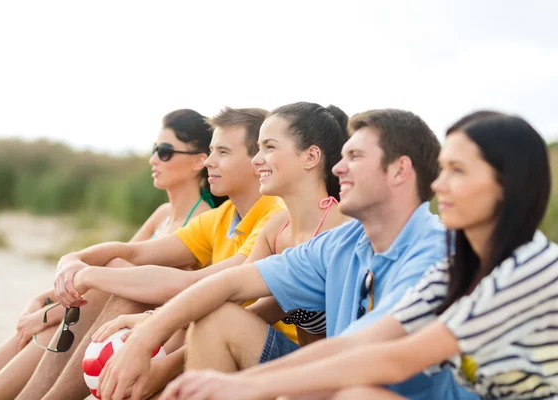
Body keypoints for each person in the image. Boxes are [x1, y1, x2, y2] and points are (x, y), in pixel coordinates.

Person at [162, 111, 554, 400]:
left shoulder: (524, 270)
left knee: (354, 396)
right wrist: (237, 385)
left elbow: (397, 358)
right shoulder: (461, 264)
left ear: (506, 185)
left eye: (458, 171)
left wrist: (250, 386)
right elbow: (354, 344)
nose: (438, 183)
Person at [94, 109, 476, 400]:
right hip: (337, 378)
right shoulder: (344, 243)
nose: (338, 167)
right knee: (217, 320)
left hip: (377, 388)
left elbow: (368, 354)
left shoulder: (435, 252)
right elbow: (229, 283)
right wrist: (147, 337)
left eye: (354, 157)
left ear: (399, 171)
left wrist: (245, 386)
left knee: (358, 396)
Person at [14, 107, 289, 400]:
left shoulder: (275, 216)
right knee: (120, 274)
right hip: (207, 336)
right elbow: (133, 253)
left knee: (132, 289)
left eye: (222, 152)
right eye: (211, 151)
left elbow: (198, 285)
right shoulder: (223, 215)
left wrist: (90, 276)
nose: (209, 161)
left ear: (255, 161)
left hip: (254, 349)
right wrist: (71, 260)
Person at [91, 101, 351, 391]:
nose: (257, 159)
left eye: (269, 147)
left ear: (311, 156)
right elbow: (238, 300)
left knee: (217, 318)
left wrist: (150, 336)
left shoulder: (342, 230)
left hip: (343, 378)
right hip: (300, 369)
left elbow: (227, 292)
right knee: (214, 315)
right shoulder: (277, 229)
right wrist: (153, 328)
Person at [0, 108, 217, 400]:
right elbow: (111, 271)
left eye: (165, 151)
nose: (153, 159)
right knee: (44, 328)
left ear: (199, 161)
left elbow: (125, 280)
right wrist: (44, 301)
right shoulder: (163, 214)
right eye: (155, 149)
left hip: (149, 327)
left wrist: (49, 313)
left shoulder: (203, 222)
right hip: (104, 314)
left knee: (50, 326)